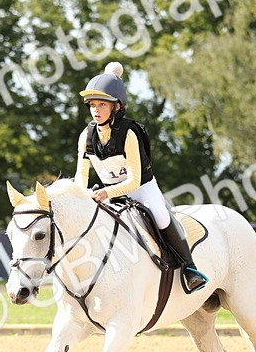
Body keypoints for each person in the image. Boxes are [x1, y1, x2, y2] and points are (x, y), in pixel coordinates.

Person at [76, 62, 208, 293]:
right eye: (92, 105)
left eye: (102, 105)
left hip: (140, 188)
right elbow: (81, 175)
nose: (96, 110)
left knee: (160, 216)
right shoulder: (86, 136)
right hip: (106, 191)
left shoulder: (129, 133)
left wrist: (107, 192)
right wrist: (82, 195)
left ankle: (189, 268)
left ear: (116, 107)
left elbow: (134, 180)